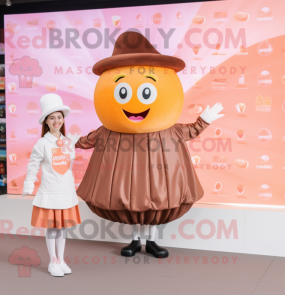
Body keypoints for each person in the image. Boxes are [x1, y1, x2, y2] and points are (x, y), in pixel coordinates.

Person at [75, 31, 224, 258]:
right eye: (123, 92)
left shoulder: (169, 131)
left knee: (155, 207)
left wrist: (205, 120)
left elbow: (190, 131)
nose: (135, 102)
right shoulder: (108, 132)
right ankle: (135, 241)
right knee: (134, 207)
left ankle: (152, 242)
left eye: (146, 92)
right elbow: (87, 141)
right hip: (129, 181)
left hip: (157, 179)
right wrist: (66, 142)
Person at [23, 93, 81, 276]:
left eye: (59, 117)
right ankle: (52, 261)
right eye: (52, 118)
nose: (57, 121)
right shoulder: (41, 144)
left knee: (62, 227)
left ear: (63, 119)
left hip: (66, 192)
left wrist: (71, 143)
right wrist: (28, 184)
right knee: (52, 227)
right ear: (46, 122)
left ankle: (61, 259)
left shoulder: (67, 142)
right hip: (50, 193)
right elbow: (32, 166)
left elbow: (68, 166)